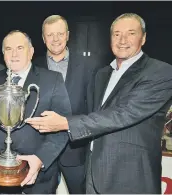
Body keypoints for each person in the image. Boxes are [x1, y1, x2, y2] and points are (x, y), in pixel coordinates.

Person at [26, 13, 172, 194]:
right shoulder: (103, 74)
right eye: (117, 34)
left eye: (131, 33)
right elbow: (95, 112)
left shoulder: (160, 73)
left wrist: (65, 123)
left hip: (130, 176)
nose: (122, 40)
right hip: (94, 171)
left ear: (143, 38)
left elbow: (122, 114)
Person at [0, 30, 71, 194]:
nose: (14, 54)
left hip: (38, 181)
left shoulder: (52, 80)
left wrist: (40, 159)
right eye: (9, 49)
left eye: (20, 48)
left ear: (31, 52)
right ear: (3, 54)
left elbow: (62, 129)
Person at [33, 15, 102, 194]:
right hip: (42, 150)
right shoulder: (33, 66)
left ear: (68, 35)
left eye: (60, 34)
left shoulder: (89, 66)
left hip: (75, 150)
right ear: (43, 38)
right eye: (50, 35)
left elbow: (94, 110)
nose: (55, 39)